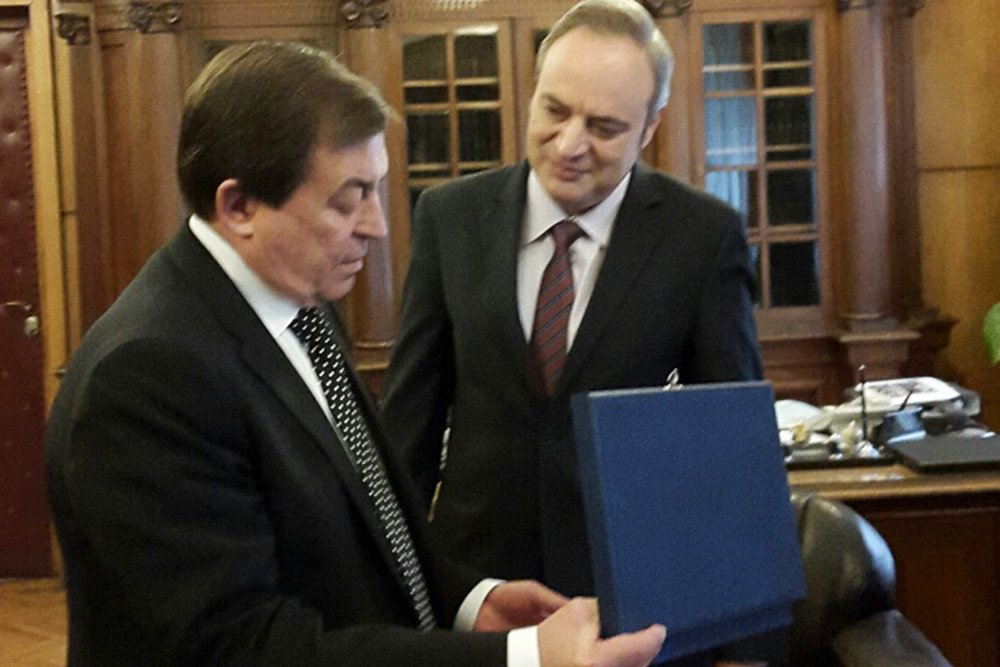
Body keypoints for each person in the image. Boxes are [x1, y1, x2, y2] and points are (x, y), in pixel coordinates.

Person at [44, 41, 667, 667]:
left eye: (377, 191)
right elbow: (241, 644)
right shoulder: (150, 374)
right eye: (349, 199)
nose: (377, 225)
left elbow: (360, 530)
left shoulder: (299, 306)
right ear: (239, 207)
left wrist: (468, 601)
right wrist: (522, 656)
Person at [381, 0, 765, 664]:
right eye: (554, 111)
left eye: (604, 126)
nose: (569, 144)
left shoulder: (701, 236)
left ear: (650, 128)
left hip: (630, 601)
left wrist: (747, 650)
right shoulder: (450, 217)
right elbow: (407, 432)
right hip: (477, 602)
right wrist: (385, 603)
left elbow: (729, 457)